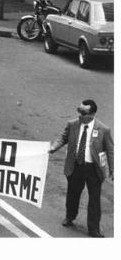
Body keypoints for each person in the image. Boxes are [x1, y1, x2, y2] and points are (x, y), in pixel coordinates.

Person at [48, 99, 114, 238]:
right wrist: (53, 147)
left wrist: (113, 170)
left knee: (94, 200)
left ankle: (94, 229)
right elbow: (63, 138)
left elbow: (110, 151)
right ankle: (70, 217)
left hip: (94, 169)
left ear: (92, 114)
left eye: (83, 112)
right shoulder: (72, 124)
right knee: (73, 194)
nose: (80, 115)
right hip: (76, 166)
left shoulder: (103, 129)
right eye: (79, 111)